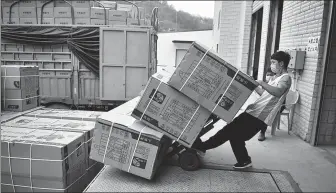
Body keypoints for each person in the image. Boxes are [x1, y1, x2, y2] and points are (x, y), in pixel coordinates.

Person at [192, 51, 292, 169]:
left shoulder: (285, 78)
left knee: (231, 132)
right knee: (232, 133)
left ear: (281, 63)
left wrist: (261, 82)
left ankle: (203, 147)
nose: (272, 65)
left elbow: (278, 92)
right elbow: (265, 94)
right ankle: (243, 160)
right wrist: (254, 85)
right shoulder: (275, 78)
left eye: (274, 62)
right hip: (254, 111)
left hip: (260, 116)